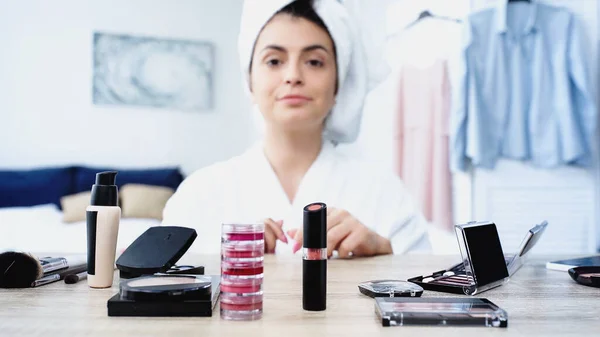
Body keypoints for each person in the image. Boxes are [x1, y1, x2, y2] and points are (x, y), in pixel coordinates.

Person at [162, 0, 430, 257]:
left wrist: (386, 259)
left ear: (339, 84)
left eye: (314, 61)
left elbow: (428, 294)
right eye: (274, 61)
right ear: (250, 81)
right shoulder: (198, 195)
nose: (293, 75)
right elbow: (164, 294)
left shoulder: (384, 193)